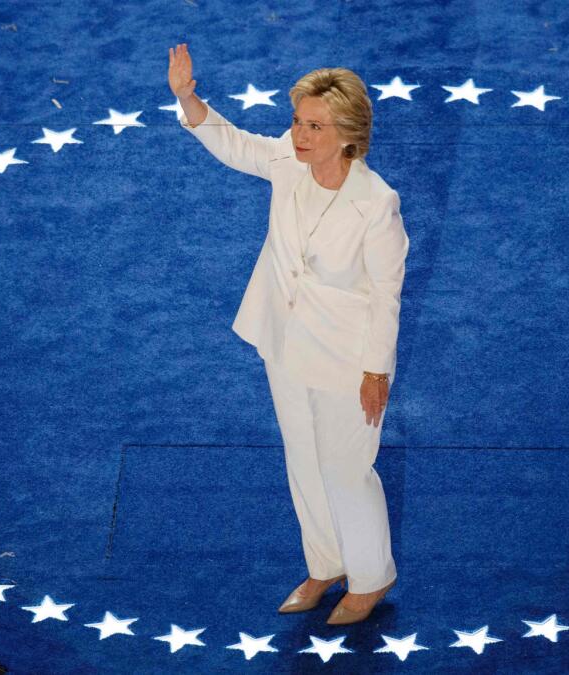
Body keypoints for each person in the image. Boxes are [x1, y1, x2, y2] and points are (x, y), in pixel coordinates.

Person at [167, 43, 409, 625]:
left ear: (347, 135)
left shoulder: (377, 206)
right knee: (303, 458)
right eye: (297, 120)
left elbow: (385, 296)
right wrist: (186, 97)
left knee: (347, 469)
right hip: (283, 341)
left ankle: (372, 578)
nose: (299, 134)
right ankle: (325, 563)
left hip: (350, 360)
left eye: (314, 126)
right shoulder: (287, 161)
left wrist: (376, 371)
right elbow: (236, 144)